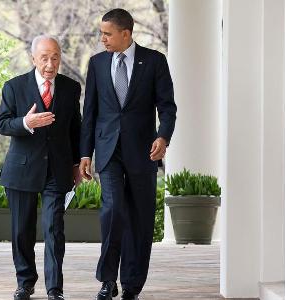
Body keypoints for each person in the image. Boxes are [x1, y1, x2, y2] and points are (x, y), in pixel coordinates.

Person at [79, 8, 177, 300]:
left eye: (107, 34)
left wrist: (163, 136)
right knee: (112, 211)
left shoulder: (155, 61)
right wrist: (85, 153)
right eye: (101, 33)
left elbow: (168, 106)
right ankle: (108, 280)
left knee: (140, 217)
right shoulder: (97, 64)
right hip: (108, 151)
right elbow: (90, 112)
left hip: (143, 151)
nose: (103, 39)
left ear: (126, 34)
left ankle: (132, 285)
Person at [0, 35, 81, 300]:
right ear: (33, 58)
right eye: (44, 57)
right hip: (21, 170)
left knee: (54, 229)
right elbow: (2, 124)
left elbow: (75, 128)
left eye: (55, 57)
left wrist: (77, 163)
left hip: (58, 170)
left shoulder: (70, 87)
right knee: (22, 230)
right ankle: (25, 283)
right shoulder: (14, 87)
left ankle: (55, 289)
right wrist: (26, 122)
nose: (50, 63)